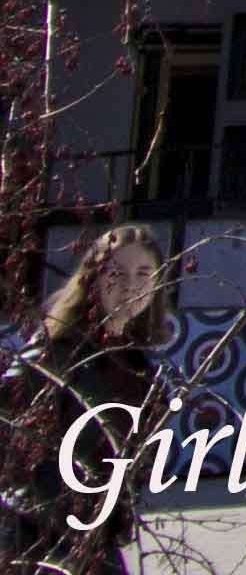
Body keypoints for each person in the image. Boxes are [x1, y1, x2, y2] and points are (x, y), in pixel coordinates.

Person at [0, 224, 174, 575]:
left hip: (95, 540)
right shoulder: (58, 354)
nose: (130, 284)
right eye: (117, 273)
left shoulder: (143, 371)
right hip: (39, 540)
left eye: (143, 273)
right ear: (93, 278)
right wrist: (55, 507)